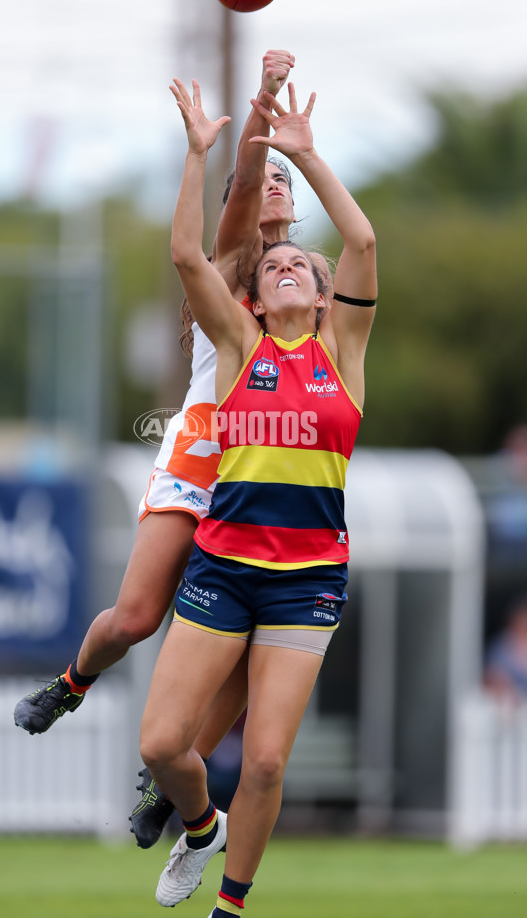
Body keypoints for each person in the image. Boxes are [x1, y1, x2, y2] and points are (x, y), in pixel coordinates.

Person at [13, 51, 300, 847]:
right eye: (270, 175)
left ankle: (168, 784)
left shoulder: (308, 281)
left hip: (272, 473)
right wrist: (264, 106)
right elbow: (241, 190)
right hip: (205, 453)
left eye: (288, 179)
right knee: (139, 614)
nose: (275, 185)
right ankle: (72, 682)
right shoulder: (242, 264)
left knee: (238, 654)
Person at [139, 77, 376, 916]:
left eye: (295, 267)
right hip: (225, 565)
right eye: (269, 265)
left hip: (305, 581)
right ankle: (200, 826)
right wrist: (201, 157)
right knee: (164, 745)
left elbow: (361, 237)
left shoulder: (342, 352)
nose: (279, 266)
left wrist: (306, 156)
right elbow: (186, 257)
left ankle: (230, 906)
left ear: (320, 294)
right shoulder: (240, 343)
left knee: (268, 760)